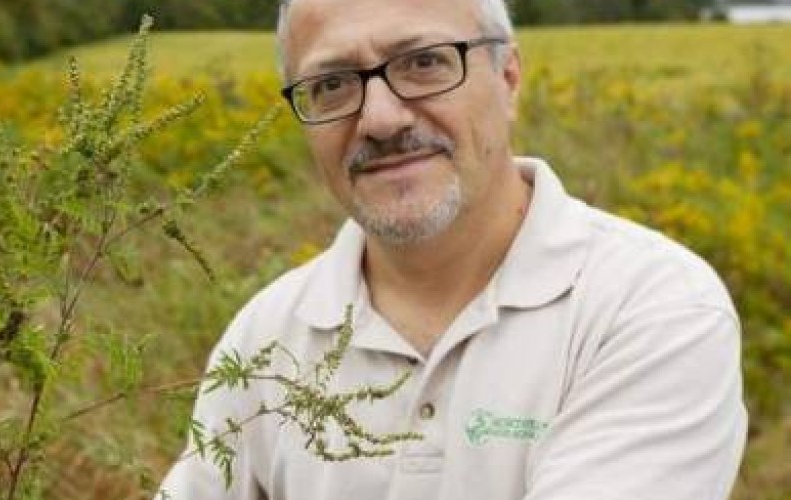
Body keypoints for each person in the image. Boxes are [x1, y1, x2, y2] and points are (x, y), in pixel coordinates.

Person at [158, 0, 747, 498]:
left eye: (423, 63)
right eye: (331, 84)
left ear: (509, 78)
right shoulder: (265, 337)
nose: (381, 119)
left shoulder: (652, 309)